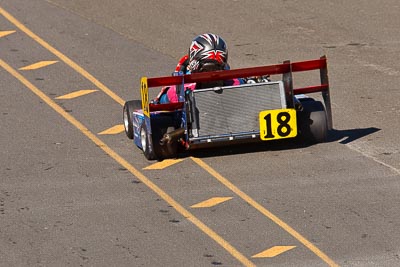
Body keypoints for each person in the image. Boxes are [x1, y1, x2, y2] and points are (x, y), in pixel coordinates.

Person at [154, 33, 243, 104]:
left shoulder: (234, 82)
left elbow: (244, 88)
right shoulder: (181, 88)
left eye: (216, 68)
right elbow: (167, 98)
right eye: (207, 69)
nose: (212, 74)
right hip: (191, 118)